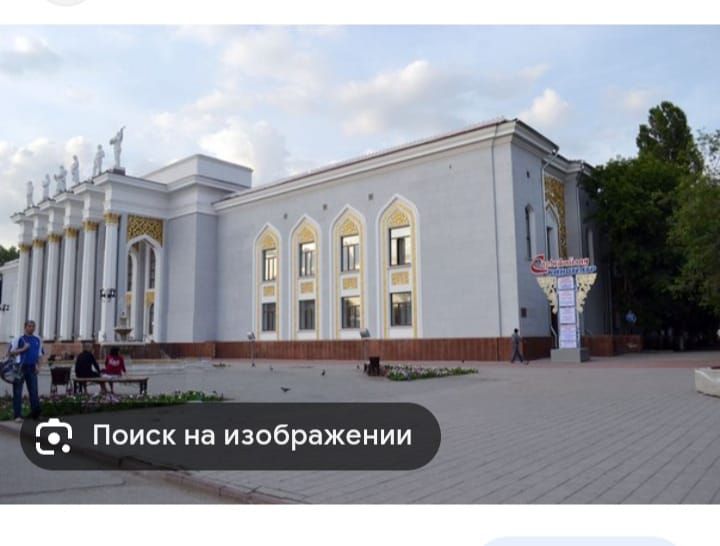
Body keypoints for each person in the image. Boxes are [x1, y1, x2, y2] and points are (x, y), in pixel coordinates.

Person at [9, 320, 44, 422]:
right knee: (17, 391)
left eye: (33, 326)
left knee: (34, 391)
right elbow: (10, 352)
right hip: (20, 368)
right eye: (29, 326)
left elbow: (40, 354)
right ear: (25, 327)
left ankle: (36, 414)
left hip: (32, 367)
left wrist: (39, 366)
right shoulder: (19, 339)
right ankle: (17, 415)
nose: (31, 328)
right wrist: (23, 349)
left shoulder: (37, 339)